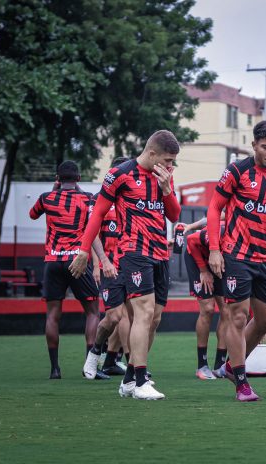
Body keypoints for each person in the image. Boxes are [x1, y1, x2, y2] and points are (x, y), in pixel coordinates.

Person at [71, 130, 182, 400]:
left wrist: (168, 190)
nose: (170, 166)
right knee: (140, 314)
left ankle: (130, 379)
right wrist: (85, 250)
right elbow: (97, 213)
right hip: (133, 251)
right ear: (152, 153)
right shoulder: (119, 174)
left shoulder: (164, 177)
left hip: (159, 253)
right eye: (167, 160)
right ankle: (142, 379)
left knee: (153, 319)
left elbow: (174, 215)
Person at [208, 121, 266, 402]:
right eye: (265, 147)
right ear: (254, 145)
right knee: (237, 316)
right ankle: (242, 382)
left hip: (265, 257)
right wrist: (215, 249)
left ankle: (232, 364)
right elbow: (214, 207)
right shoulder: (236, 171)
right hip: (235, 254)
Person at [29, 161, 104, 379]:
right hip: (77, 261)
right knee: (92, 312)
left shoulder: (46, 198)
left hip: (52, 262)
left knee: (53, 315)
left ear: (57, 178)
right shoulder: (88, 199)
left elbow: (33, 215)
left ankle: (55, 369)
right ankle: (89, 368)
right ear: (79, 179)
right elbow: (93, 225)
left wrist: (54, 190)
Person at [83, 157, 133, 380]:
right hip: (110, 266)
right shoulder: (99, 199)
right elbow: (92, 232)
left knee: (132, 316)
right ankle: (94, 354)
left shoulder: (134, 198)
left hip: (133, 265)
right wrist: (101, 262)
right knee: (114, 317)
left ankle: (130, 367)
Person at [185, 226, 228, 379]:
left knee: (227, 310)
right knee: (208, 308)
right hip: (198, 260)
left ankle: (220, 365)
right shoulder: (218, 233)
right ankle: (202, 365)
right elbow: (191, 240)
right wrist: (203, 270)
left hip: (221, 262)